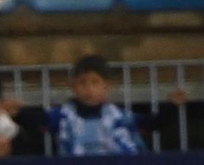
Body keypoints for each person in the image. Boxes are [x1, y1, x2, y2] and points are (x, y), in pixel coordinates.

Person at [27, 54, 188, 155]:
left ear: (107, 86)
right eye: (82, 83)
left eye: (95, 82)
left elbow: (151, 124)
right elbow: (37, 121)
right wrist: (18, 112)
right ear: (73, 86)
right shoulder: (63, 116)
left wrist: (171, 107)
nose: (89, 88)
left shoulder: (118, 116)